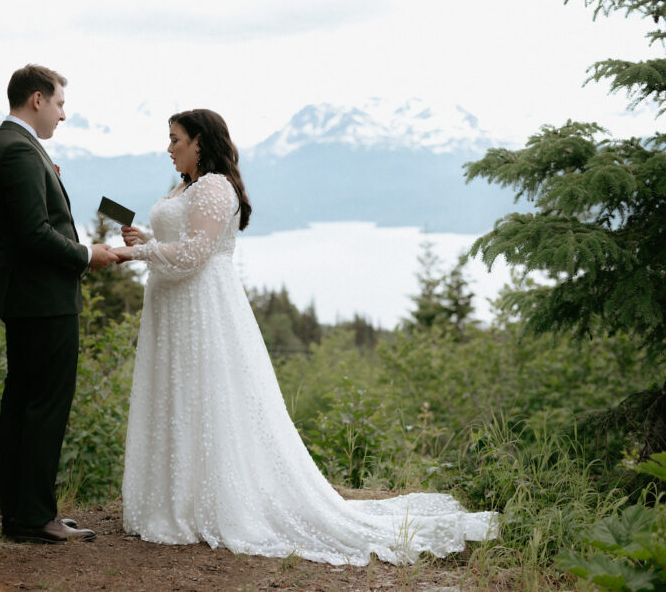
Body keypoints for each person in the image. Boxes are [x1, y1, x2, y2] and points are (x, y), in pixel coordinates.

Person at [112, 109, 498, 565]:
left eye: (175, 139)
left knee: (208, 398)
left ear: (200, 141)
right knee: (179, 396)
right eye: (169, 139)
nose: (169, 147)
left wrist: (132, 253)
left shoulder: (215, 186)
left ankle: (210, 502)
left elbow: (197, 253)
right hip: (175, 306)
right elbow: (183, 236)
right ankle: (178, 499)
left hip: (202, 308)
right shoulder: (186, 186)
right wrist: (147, 237)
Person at [0, 64, 119, 544]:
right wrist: (88, 255)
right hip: (42, 301)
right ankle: (35, 518)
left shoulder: (13, 145)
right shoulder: (18, 150)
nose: (63, 114)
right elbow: (32, 234)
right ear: (37, 99)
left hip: (33, 298)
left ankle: (24, 514)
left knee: (25, 405)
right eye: (59, 103)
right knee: (43, 408)